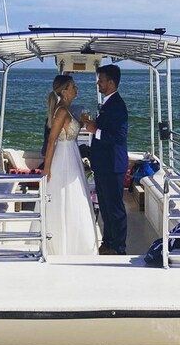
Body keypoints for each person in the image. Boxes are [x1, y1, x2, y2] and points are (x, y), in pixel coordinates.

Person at [43, 75, 98, 256]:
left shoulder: (66, 110)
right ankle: (65, 244)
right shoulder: (61, 112)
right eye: (74, 86)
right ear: (65, 91)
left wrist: (81, 122)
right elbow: (51, 141)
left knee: (76, 197)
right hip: (64, 158)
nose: (77, 89)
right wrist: (47, 169)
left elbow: (69, 130)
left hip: (72, 155)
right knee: (67, 197)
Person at [84, 64, 128, 255]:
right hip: (103, 164)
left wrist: (96, 131)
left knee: (115, 208)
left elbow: (119, 137)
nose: (98, 83)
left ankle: (119, 247)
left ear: (110, 83)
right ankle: (108, 241)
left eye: (100, 80)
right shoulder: (108, 103)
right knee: (105, 206)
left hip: (113, 165)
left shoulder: (118, 106)